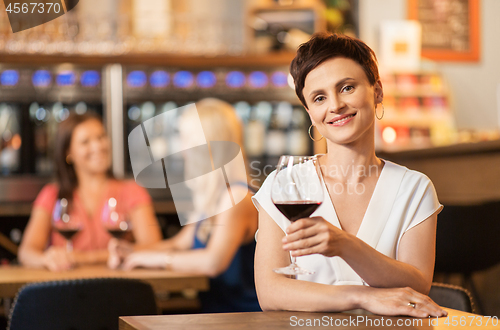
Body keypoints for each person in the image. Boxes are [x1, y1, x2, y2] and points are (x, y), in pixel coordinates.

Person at [252, 33, 448, 318]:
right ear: (309, 113)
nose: (335, 106)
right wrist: (362, 296)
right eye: (319, 98)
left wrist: (345, 244)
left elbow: (417, 284)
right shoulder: (284, 184)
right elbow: (269, 292)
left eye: (346, 88)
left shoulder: (414, 188)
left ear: (377, 91)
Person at [108, 98, 261, 313]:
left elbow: (213, 262)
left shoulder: (237, 196)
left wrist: (153, 259)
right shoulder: (215, 196)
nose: (180, 150)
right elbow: (180, 243)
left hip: (243, 320)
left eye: (187, 139)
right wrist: (132, 251)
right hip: (216, 317)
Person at [18, 112, 162, 272]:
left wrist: (80, 258)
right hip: (67, 290)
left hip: (119, 289)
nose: (98, 146)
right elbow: (26, 252)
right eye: (86, 142)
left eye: (101, 137)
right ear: (68, 152)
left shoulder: (132, 191)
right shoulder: (51, 194)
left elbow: (153, 247)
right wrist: (46, 259)